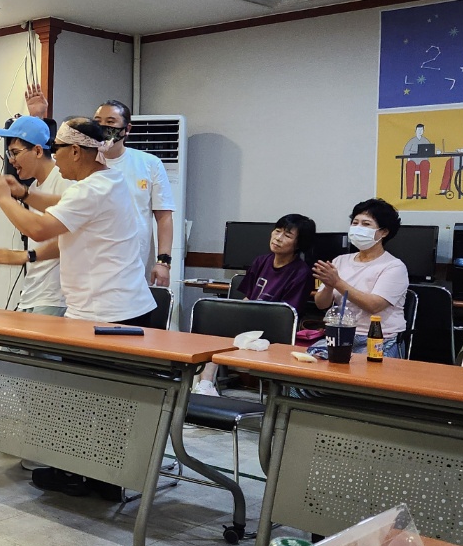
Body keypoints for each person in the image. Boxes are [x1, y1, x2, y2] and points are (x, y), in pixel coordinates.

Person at [0, 117, 156, 498]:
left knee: (98, 400)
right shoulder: (107, 181)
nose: (54, 156)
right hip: (113, 309)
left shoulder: (92, 190)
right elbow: (62, 203)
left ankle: (101, 477)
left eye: (57, 150)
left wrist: (2, 197)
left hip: (107, 314)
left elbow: (38, 229)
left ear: (75, 151)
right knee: (96, 399)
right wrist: (24, 194)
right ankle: (95, 474)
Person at [193, 213, 316, 397]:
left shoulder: (301, 272)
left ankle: (205, 384)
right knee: (212, 327)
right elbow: (248, 298)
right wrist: (234, 316)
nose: (278, 238)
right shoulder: (261, 261)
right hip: (248, 321)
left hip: (273, 330)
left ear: (299, 244)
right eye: (277, 231)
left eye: (287, 235)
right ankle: (205, 385)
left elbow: (287, 314)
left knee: (220, 331)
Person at [0, 115, 67, 315]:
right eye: (9, 153)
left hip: (55, 297)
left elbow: (67, 240)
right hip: (33, 293)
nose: (11, 160)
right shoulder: (34, 187)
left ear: (38, 150)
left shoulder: (63, 181)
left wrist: (25, 256)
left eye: (15, 152)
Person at [93, 100, 176, 291]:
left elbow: (164, 216)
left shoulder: (149, 163)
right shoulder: (84, 163)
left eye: (110, 122)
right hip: (92, 263)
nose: (103, 127)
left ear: (127, 129)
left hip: (135, 264)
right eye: (97, 121)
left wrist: (163, 262)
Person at [312, 198, 409, 358]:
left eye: (366, 224)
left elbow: (373, 305)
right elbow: (321, 304)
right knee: (308, 362)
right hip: (340, 334)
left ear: (384, 232)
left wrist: (337, 282)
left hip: (378, 338)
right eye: (355, 223)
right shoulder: (340, 261)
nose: (358, 228)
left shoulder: (394, 266)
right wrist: (329, 286)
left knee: (363, 371)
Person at [402, 123, 433, 199]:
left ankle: (423, 194)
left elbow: (430, 150)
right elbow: (405, 151)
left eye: (421, 130)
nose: (420, 131)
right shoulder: (412, 141)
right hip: (413, 162)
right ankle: (409, 194)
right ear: (415, 130)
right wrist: (415, 152)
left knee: (425, 164)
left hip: (422, 162)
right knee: (409, 165)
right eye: (419, 130)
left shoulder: (425, 140)